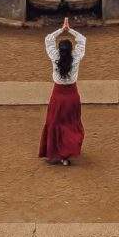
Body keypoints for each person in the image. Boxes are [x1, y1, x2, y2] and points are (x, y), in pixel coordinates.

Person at [39, 16, 86, 165]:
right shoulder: (76, 57)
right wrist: (70, 29)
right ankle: (66, 154)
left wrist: (61, 29)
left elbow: (48, 39)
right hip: (72, 95)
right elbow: (82, 39)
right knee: (70, 123)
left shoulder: (55, 57)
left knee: (55, 122)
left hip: (58, 95)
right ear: (71, 49)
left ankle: (56, 153)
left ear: (59, 50)